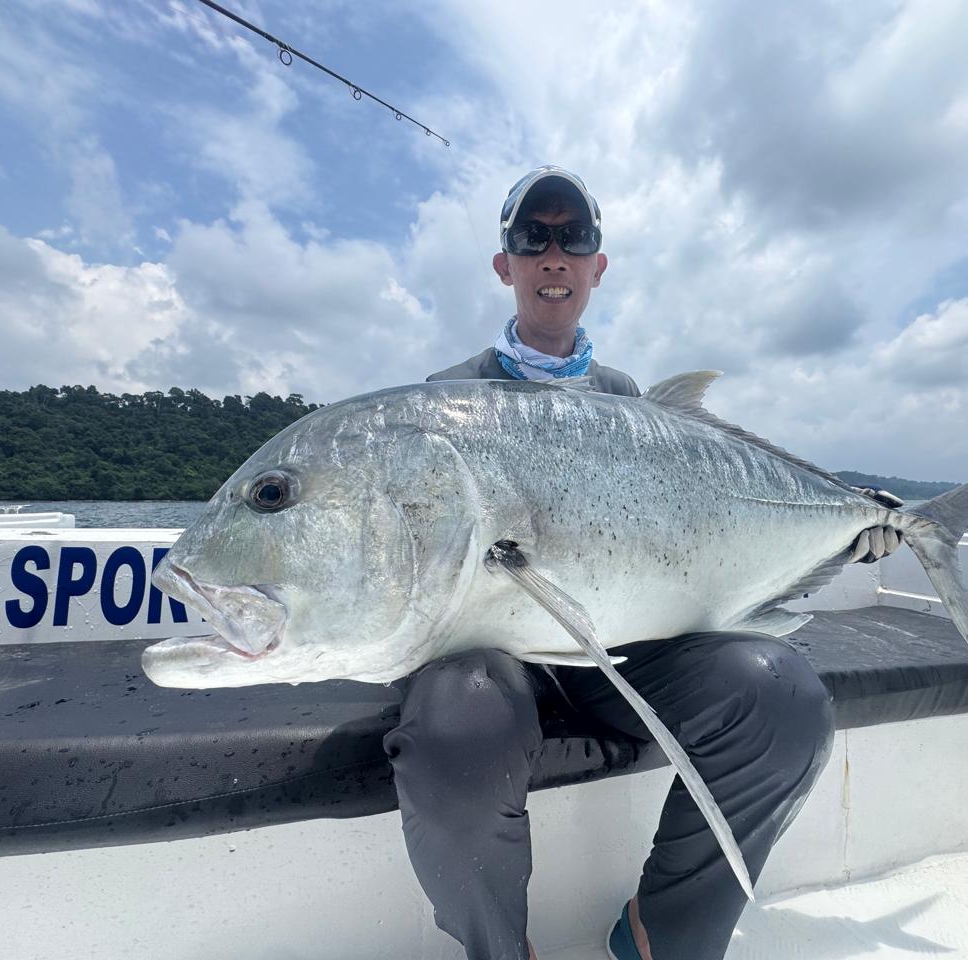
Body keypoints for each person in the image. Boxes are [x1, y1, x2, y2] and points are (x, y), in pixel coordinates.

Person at [382, 166, 904, 960]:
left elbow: (717, 520)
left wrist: (846, 522)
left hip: (618, 651)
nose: (554, 254)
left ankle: (663, 937)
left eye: (574, 237)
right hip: (496, 649)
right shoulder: (449, 397)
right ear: (506, 263)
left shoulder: (632, 403)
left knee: (783, 692)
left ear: (597, 265)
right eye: (534, 237)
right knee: (459, 723)